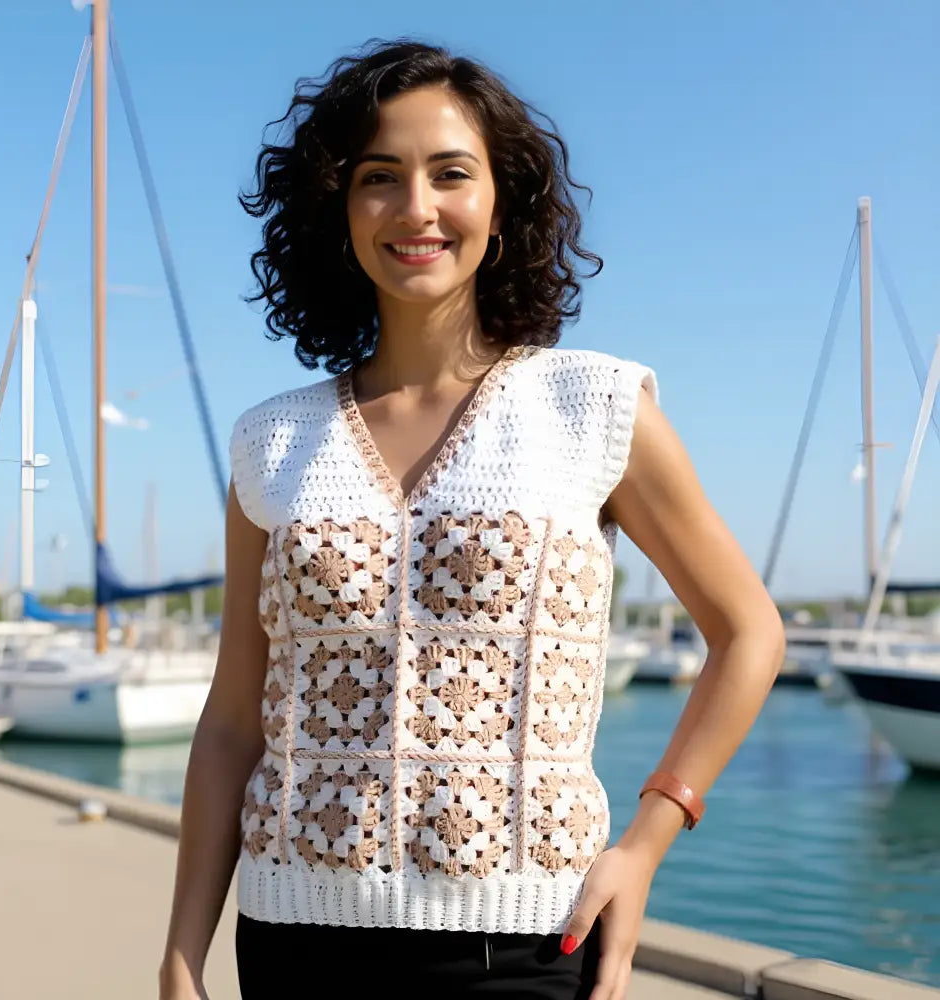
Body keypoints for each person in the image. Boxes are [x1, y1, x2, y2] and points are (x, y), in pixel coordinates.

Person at [159, 39, 785, 1000]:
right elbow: (233, 719)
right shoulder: (270, 442)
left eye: (451, 173)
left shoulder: (594, 407)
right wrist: (180, 954)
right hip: (291, 942)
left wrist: (649, 840)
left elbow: (749, 633)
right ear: (338, 209)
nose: (416, 207)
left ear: (502, 206)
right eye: (379, 177)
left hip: (524, 947)